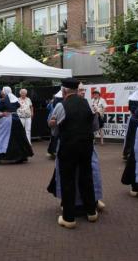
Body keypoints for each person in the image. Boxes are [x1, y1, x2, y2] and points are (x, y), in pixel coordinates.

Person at [49, 78, 97, 229]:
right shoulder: (87, 103)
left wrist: (53, 124)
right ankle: (91, 212)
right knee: (86, 177)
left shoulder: (60, 106)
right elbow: (94, 125)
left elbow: (55, 131)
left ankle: (69, 218)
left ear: (64, 91)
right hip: (87, 146)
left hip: (68, 146)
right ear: (77, 90)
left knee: (68, 180)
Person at [0, 86, 33, 164]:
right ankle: (22, 156)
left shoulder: (4, 100)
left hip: (7, 120)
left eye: (2, 91)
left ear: (5, 92)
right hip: (16, 119)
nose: (1, 92)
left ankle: (1, 157)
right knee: (18, 138)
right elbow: (18, 106)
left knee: (4, 138)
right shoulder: (14, 99)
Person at [46, 91, 63, 159]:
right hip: (53, 118)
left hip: (54, 118)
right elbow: (48, 108)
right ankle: (53, 151)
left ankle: (53, 151)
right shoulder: (55, 103)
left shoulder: (57, 103)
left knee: (54, 136)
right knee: (54, 136)